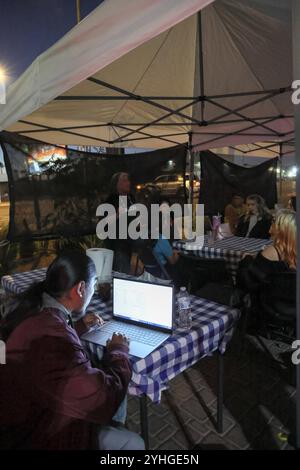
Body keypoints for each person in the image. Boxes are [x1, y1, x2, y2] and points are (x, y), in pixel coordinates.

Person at [0, 250, 144, 450]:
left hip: (27, 411)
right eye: (93, 286)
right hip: (37, 433)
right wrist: (118, 351)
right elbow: (101, 399)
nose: (93, 293)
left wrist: (79, 328)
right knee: (134, 443)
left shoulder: (33, 307)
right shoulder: (53, 341)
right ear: (81, 289)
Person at [236, 210, 296, 326]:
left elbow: (247, 282)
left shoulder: (273, 251)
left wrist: (246, 260)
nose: (270, 223)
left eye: (273, 221)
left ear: (280, 228)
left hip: (271, 306)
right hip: (293, 305)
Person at [105, 172, 136, 274]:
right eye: (124, 180)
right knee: (121, 273)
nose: (128, 183)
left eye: (128, 180)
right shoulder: (111, 200)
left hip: (129, 244)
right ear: (116, 184)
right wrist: (116, 215)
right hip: (117, 246)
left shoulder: (130, 198)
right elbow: (104, 225)